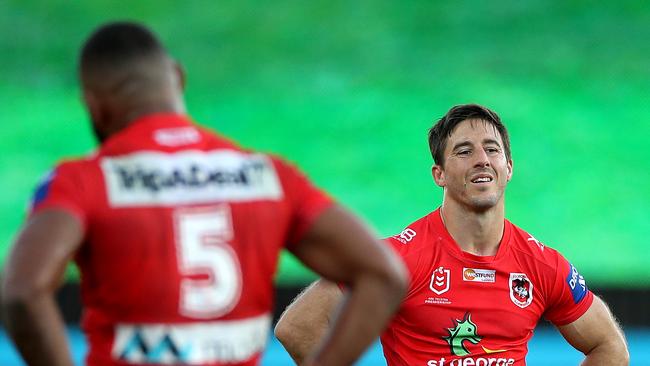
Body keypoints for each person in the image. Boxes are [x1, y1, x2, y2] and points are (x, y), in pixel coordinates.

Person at [0, 21, 408, 366]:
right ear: (177, 78)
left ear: (94, 105)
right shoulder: (267, 175)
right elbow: (383, 274)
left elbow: (21, 290)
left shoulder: (85, 180)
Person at [274, 104, 630, 365]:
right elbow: (298, 328)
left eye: (492, 150)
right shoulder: (400, 260)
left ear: (509, 168)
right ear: (439, 174)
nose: (482, 160)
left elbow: (609, 348)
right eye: (464, 151)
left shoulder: (541, 264)